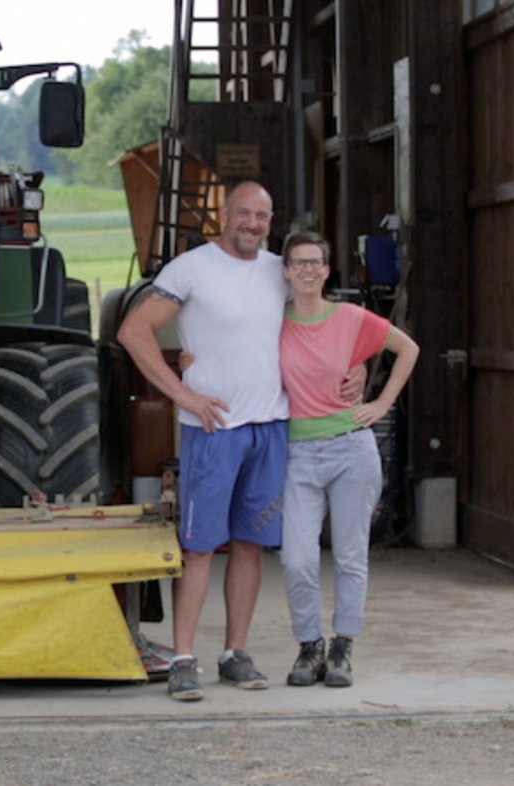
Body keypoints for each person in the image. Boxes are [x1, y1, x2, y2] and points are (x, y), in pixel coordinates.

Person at [119, 181, 347, 702]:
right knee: (199, 548)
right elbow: (134, 330)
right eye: (243, 213)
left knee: (250, 544)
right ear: (226, 214)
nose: (251, 223)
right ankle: (183, 659)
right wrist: (180, 391)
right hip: (212, 430)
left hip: (271, 426)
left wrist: (352, 368)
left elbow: (322, 323)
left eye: (261, 216)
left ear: (271, 221)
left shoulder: (279, 271)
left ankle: (234, 653)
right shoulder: (191, 267)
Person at [276, 230, 418, 688]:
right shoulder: (273, 322)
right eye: (299, 263)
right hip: (298, 453)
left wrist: (382, 404)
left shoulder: (351, 317)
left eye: (316, 262)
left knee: (350, 554)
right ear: (285, 271)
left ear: (327, 268)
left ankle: (343, 647)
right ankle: (308, 645)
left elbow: (408, 349)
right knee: (297, 557)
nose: (308, 270)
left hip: (350, 447)